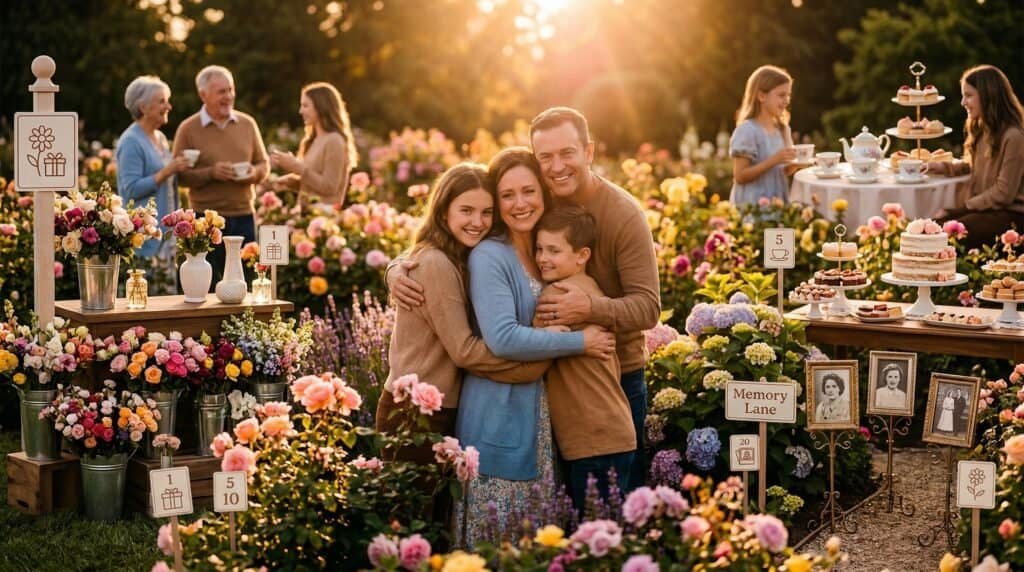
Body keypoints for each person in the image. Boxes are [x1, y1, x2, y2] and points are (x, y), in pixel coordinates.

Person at [388, 108, 660, 494]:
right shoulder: (538, 206)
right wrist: (398, 267)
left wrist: (588, 309)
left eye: (567, 153)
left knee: (614, 497)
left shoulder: (621, 213)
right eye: (546, 157)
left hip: (614, 374)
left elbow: (648, 308)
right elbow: (458, 221)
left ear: (588, 151)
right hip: (550, 383)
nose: (557, 166)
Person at [375, 162, 604, 543]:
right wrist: (552, 353)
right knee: (412, 532)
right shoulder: (437, 262)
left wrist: (393, 267)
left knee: (427, 530)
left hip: (440, 408)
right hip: (414, 414)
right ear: (443, 211)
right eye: (466, 210)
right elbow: (466, 351)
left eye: (486, 212)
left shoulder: (458, 254)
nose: (478, 222)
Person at [454, 148, 617, 546]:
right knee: (499, 545)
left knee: (536, 546)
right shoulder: (490, 255)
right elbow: (503, 337)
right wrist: (580, 341)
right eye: (507, 195)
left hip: (540, 416)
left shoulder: (546, 246)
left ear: (543, 192)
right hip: (499, 414)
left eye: (528, 191)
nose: (520, 203)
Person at [531, 205, 635, 510]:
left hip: (594, 438)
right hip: (612, 429)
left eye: (554, 250)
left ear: (582, 255)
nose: (542, 258)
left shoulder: (558, 295)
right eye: (539, 249)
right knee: (609, 527)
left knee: (594, 530)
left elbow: (529, 346)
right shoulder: (590, 288)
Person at [172, 65, 268, 283]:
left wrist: (253, 173)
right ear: (203, 95)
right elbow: (179, 176)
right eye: (221, 92)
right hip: (204, 221)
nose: (229, 96)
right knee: (208, 285)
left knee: (245, 283)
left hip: (244, 216)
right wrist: (211, 173)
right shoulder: (188, 129)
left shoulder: (247, 124)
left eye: (231, 90)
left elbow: (263, 164)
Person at [934, 65, 1024, 249]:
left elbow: (1003, 194)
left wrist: (961, 209)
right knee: (931, 227)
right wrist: (942, 167)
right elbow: (974, 166)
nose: (963, 102)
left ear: (988, 95)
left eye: (968, 95)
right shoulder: (982, 129)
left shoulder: (1014, 136)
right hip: (986, 210)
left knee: (944, 234)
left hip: (1011, 215)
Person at [115, 75, 190, 289]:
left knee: (167, 295)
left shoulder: (160, 138)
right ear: (143, 107)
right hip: (144, 239)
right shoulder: (131, 141)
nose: (168, 106)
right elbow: (130, 190)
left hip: (165, 237)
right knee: (147, 295)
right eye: (162, 101)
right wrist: (167, 171)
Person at [270, 82, 358, 210]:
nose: (300, 111)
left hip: (323, 216)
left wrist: (295, 166)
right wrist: (291, 182)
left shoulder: (334, 141)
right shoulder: (314, 140)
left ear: (321, 107)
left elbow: (330, 187)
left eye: (305, 105)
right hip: (306, 214)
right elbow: (315, 184)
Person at [729, 65, 801, 206]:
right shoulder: (747, 131)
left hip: (777, 205)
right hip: (752, 208)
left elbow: (783, 171)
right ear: (761, 96)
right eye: (781, 95)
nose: (787, 100)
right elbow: (740, 176)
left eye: (788, 95)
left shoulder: (783, 129)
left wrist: (794, 165)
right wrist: (774, 160)